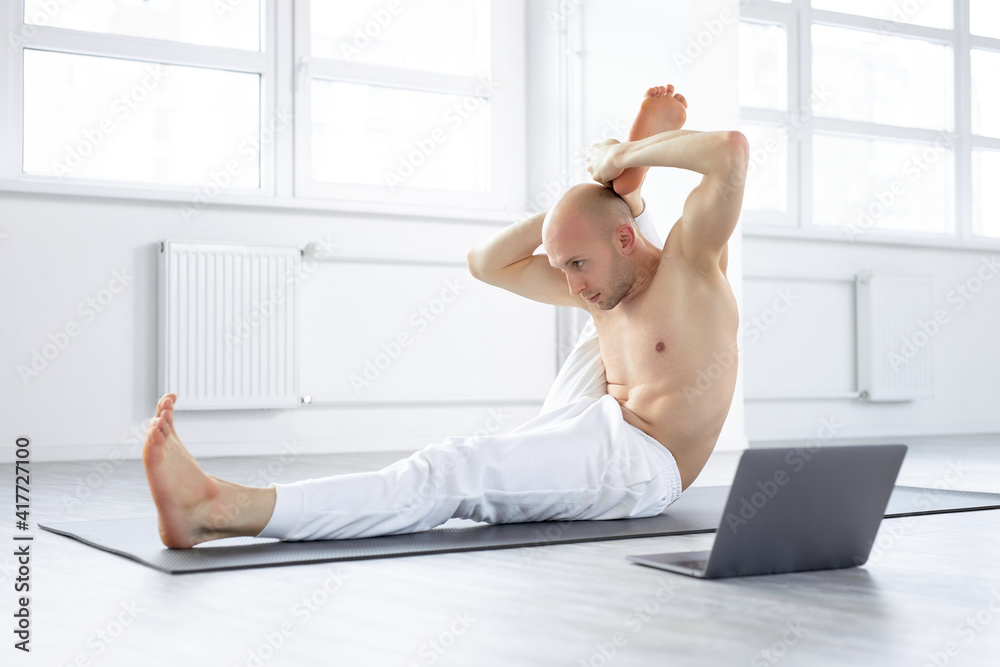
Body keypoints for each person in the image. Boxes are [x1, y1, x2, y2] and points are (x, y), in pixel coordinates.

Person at [141, 84, 748, 548]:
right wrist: (576, 210)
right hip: (598, 412)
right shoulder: (597, 283)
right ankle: (624, 192)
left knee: (454, 471)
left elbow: (729, 151)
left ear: (622, 241)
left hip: (644, 461)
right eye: (562, 265)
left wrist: (624, 154)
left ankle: (220, 509)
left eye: (578, 263)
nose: (571, 285)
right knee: (596, 321)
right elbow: (485, 263)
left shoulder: (692, 270)